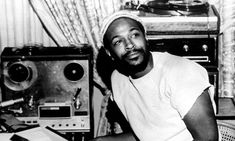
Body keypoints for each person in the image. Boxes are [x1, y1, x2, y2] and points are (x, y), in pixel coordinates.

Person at [91, 10, 219, 141]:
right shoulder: (118, 79)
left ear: (146, 38)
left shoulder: (182, 72)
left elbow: (208, 139)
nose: (129, 45)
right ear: (109, 53)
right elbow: (148, 135)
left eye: (134, 35)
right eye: (118, 42)